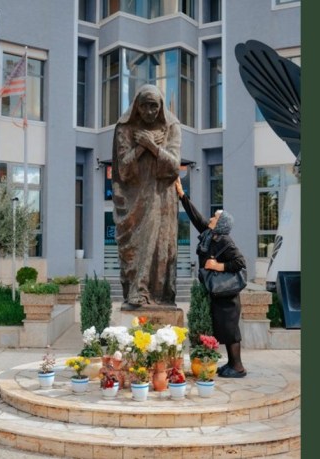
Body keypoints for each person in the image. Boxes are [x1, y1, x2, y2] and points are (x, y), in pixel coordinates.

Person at [112, 85, 181, 308]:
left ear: (161, 107)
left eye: (154, 106)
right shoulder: (125, 128)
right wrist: (142, 147)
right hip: (134, 198)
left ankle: (154, 293)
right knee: (136, 246)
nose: (149, 111)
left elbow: (174, 166)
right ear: (136, 106)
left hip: (161, 196)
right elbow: (123, 169)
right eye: (144, 106)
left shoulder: (171, 127)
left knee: (159, 243)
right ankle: (136, 289)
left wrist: (152, 146)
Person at [175, 178, 248, 378]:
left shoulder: (225, 240)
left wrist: (217, 266)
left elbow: (240, 262)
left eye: (214, 217)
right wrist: (182, 195)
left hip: (227, 294)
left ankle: (238, 367)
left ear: (221, 224)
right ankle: (231, 364)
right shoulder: (210, 236)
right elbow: (196, 218)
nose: (210, 218)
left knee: (231, 331)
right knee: (224, 330)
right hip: (217, 292)